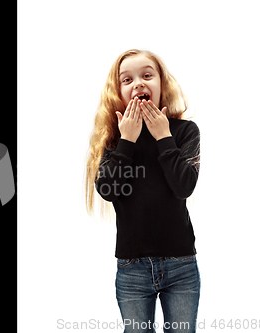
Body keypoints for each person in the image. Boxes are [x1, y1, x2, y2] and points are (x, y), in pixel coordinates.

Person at [85, 50, 200, 332]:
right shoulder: (112, 139)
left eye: (147, 75)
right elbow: (108, 190)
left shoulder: (185, 131)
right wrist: (127, 141)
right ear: (119, 92)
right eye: (127, 79)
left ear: (162, 84)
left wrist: (163, 137)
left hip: (181, 265)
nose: (138, 83)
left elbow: (183, 186)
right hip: (132, 268)